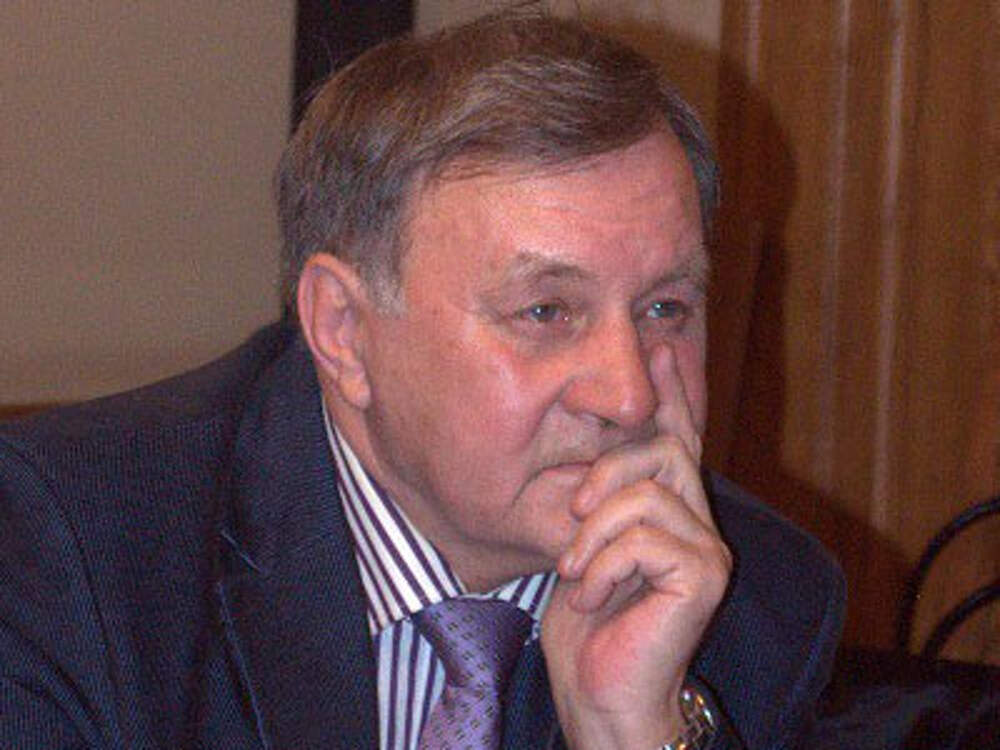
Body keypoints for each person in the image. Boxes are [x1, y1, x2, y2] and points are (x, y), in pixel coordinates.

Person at [0, 12, 844, 750]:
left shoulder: (751, 598)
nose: (630, 397)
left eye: (665, 308)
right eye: (546, 312)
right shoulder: (65, 548)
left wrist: (634, 731)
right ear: (344, 330)